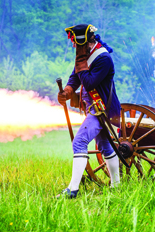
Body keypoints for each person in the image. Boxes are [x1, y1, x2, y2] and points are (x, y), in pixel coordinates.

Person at [57, 24, 121, 198]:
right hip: (94, 109)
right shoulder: (87, 56)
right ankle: (116, 187)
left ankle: (72, 190)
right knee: (105, 146)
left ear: (83, 42)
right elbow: (75, 77)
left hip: (103, 111)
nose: (73, 47)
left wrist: (80, 61)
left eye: (75, 43)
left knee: (79, 142)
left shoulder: (103, 58)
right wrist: (67, 92)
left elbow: (90, 82)